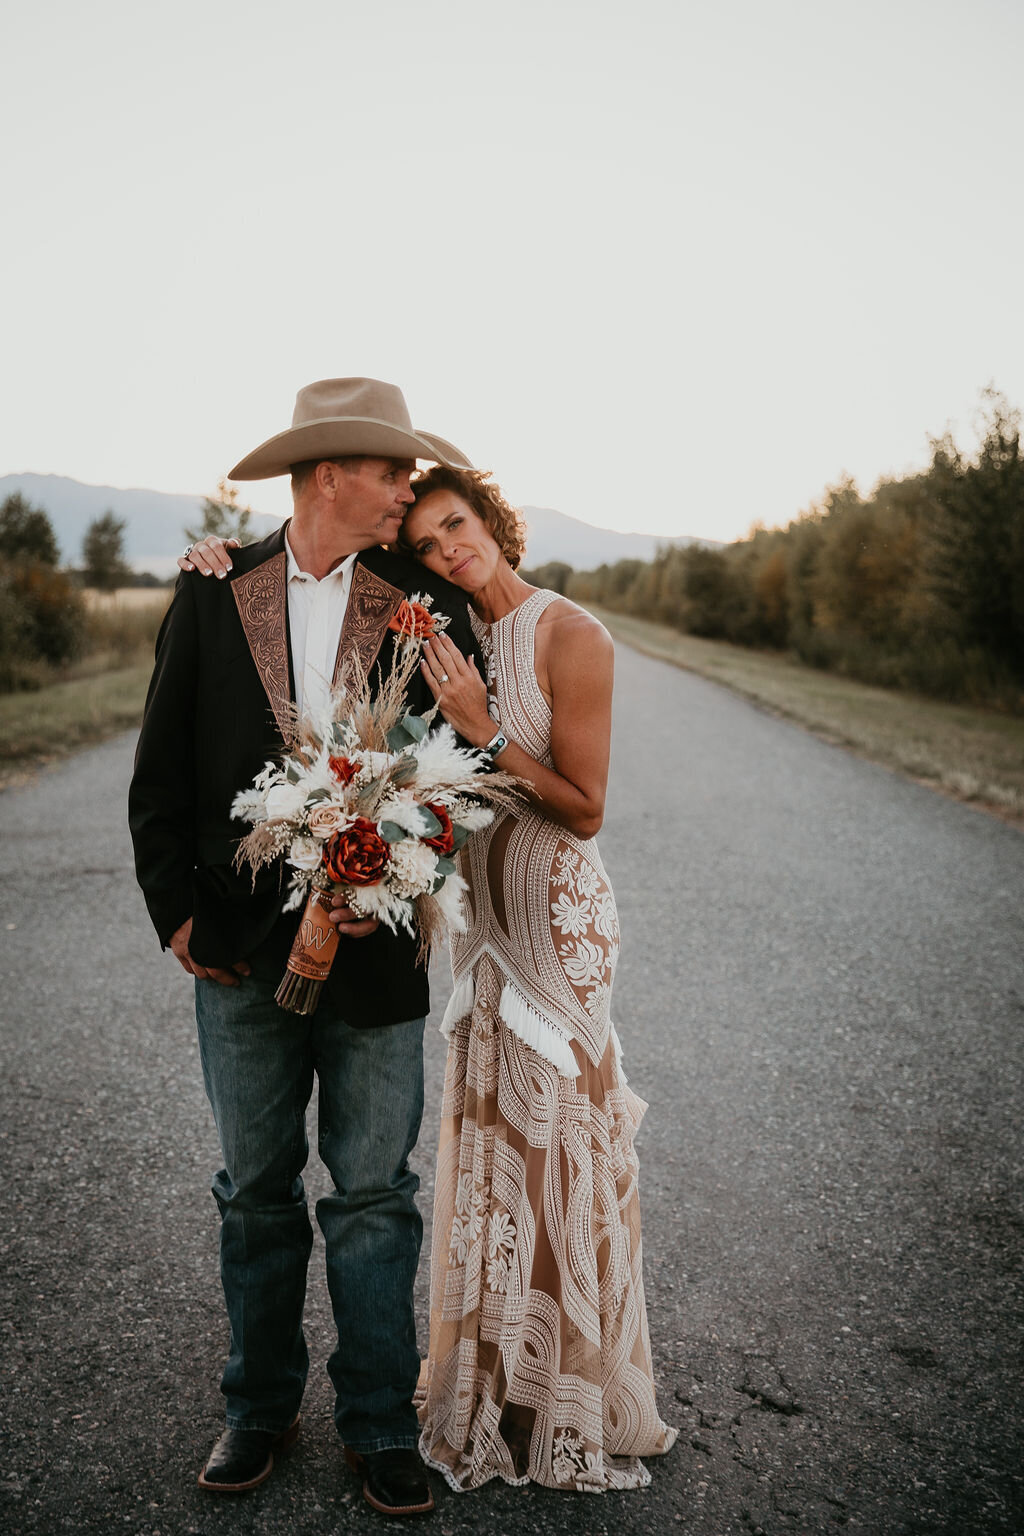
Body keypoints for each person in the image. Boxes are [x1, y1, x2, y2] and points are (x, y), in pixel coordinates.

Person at [185, 462, 677, 1493]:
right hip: (457, 931)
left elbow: (559, 801)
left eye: (456, 524)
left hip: (516, 921)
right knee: (449, 1154)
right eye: (425, 537)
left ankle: (496, 1403)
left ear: (488, 518)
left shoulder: (523, 627)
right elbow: (174, 755)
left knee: (439, 1178)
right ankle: (439, 1385)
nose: (446, 548)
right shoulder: (371, 607)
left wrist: (390, 869)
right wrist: (223, 555)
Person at [130, 377, 485, 1519]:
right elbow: (162, 766)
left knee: (376, 1196)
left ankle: (381, 1423)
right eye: (391, 472)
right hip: (235, 953)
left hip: (379, 960)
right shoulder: (212, 588)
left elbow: (457, 782)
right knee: (256, 1195)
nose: (406, 491)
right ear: (329, 472)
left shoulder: (425, 601)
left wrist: (394, 855)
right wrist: (174, 911)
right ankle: (257, 1405)